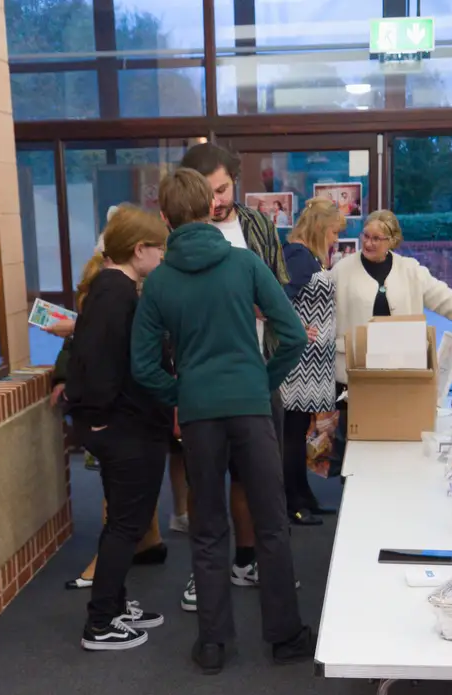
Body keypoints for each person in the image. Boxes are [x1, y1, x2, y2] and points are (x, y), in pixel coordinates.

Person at [131, 168, 314, 674]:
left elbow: (143, 366)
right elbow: (293, 334)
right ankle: (285, 636)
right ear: (211, 208)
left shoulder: (159, 282)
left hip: (199, 417)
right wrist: (261, 380)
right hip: (252, 407)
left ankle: (214, 643)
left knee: (208, 528)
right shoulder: (245, 263)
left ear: (164, 217)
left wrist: (182, 393)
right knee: (271, 522)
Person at [174, 142, 288, 612]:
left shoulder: (258, 225)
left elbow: (280, 287)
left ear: (235, 182)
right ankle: (204, 574)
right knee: (204, 484)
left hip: (258, 372)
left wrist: (266, 308)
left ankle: (247, 559)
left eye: (222, 189)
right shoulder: (178, 232)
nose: (216, 201)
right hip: (200, 379)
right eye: (207, 192)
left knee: (257, 480)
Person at [62, 205, 172, 650]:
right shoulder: (116, 293)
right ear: (140, 249)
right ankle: (101, 622)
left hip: (122, 425)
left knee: (125, 522)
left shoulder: (112, 289)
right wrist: (101, 417)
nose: (163, 256)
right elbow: (101, 365)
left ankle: (116, 602)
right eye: (160, 248)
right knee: (127, 525)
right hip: (124, 428)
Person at [331, 209, 452, 473]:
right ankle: (351, 487)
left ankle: (393, 484)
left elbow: (444, 298)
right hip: (356, 374)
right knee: (355, 444)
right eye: (365, 236)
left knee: (398, 438)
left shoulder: (410, 270)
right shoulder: (342, 270)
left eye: (377, 238)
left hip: (400, 370)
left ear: (392, 241)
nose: (368, 243)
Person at [277, 198, 343, 525]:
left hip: (310, 364)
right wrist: (297, 328)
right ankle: (291, 502)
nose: (335, 239)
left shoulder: (307, 258)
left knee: (299, 430)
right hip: (299, 365)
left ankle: (302, 495)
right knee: (291, 433)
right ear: (319, 228)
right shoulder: (298, 257)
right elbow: (276, 300)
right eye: (333, 232)